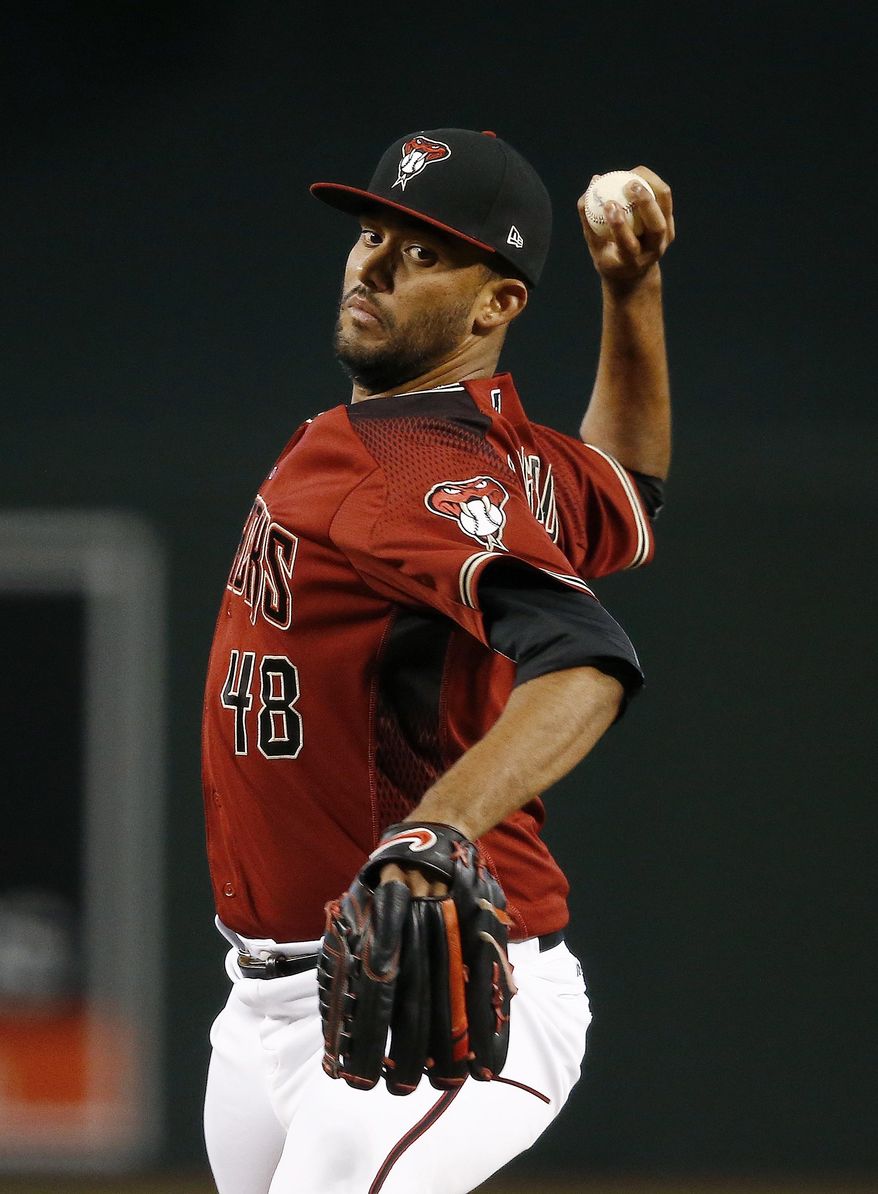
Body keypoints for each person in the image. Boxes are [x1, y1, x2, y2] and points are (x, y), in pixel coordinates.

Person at [201, 127, 674, 1194]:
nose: (370, 262)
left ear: (494, 304)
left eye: (418, 252)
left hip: (439, 985)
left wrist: (436, 829)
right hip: (273, 1002)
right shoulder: (477, 450)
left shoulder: (417, 470)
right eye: (370, 233)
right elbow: (623, 491)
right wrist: (631, 289)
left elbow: (583, 656)